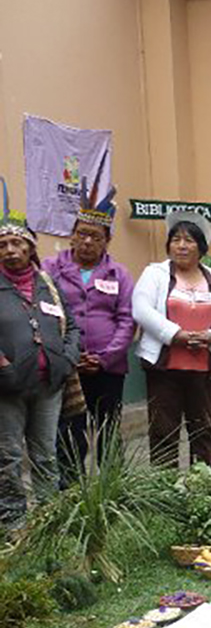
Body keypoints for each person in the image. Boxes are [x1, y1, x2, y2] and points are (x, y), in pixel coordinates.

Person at [0, 187, 79, 533]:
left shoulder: (47, 282)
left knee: (46, 455)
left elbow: (72, 325)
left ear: (31, 248)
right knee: (8, 458)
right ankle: (13, 523)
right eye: (2, 245)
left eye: (18, 244)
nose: (10, 250)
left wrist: (67, 357)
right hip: (8, 387)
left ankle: (49, 522)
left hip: (49, 385)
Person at [132, 214, 211, 468]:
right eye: (176, 240)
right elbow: (141, 309)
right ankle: (164, 490)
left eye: (189, 240)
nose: (181, 245)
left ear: (201, 247)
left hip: (203, 369)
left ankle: (202, 487)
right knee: (163, 430)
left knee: (202, 431)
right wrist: (174, 334)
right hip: (164, 369)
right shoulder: (154, 273)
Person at [44, 186, 134, 478]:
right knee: (70, 430)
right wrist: (69, 355)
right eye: (81, 233)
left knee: (108, 428)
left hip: (108, 369)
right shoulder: (50, 269)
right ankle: (71, 490)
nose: (87, 241)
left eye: (96, 236)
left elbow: (126, 320)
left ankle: (113, 488)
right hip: (67, 366)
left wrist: (105, 358)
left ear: (107, 241)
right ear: (71, 235)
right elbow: (45, 313)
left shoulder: (118, 274)